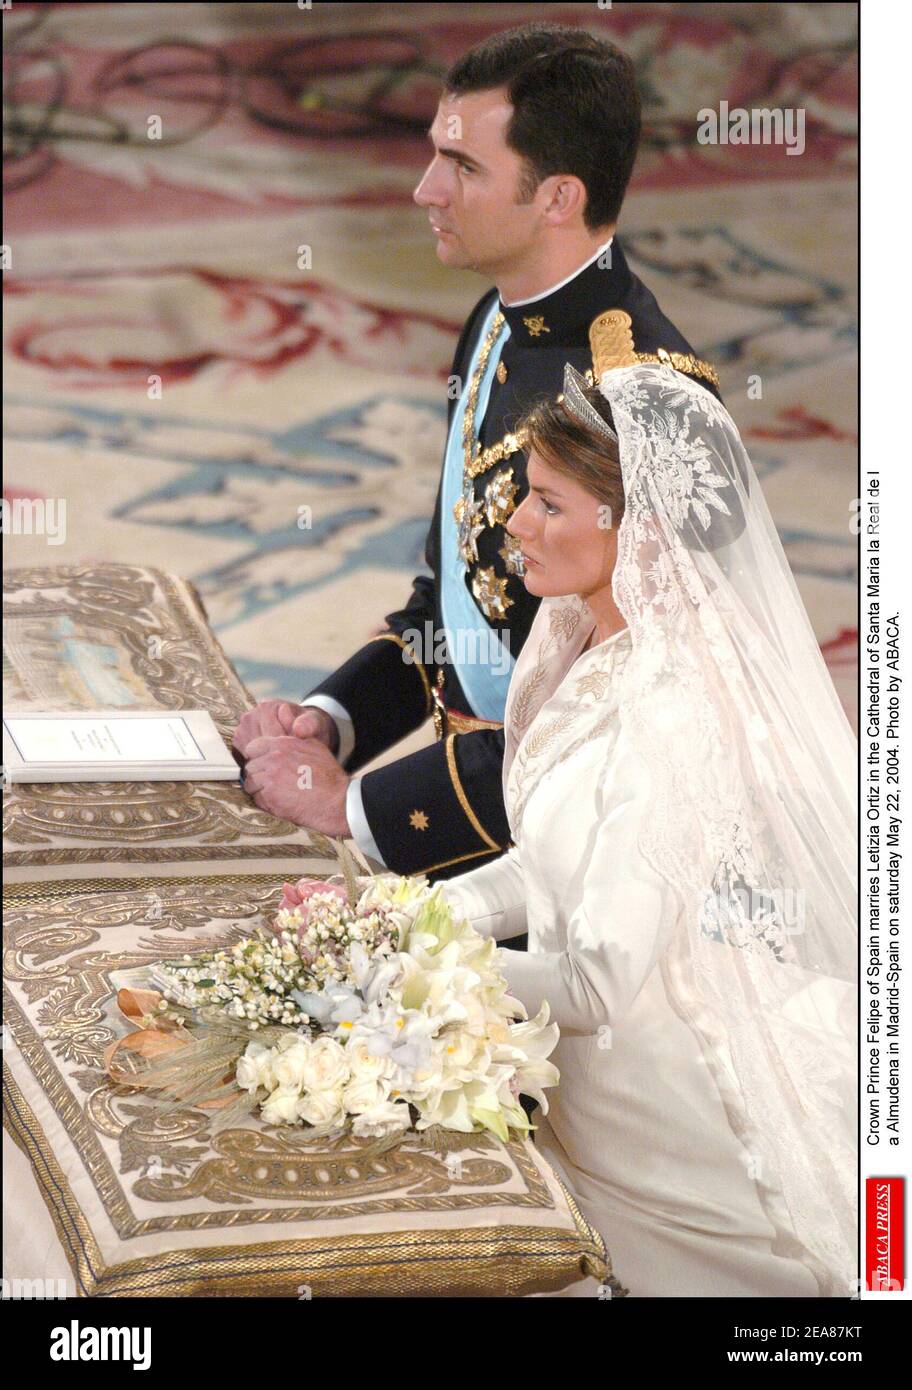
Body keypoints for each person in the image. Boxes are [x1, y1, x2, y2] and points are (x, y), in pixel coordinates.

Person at [233, 22, 721, 882]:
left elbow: (612, 725)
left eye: (463, 167)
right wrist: (333, 720)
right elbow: (459, 606)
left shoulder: (637, 400)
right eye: (435, 155)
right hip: (471, 823)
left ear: (557, 198)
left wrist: (350, 805)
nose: (425, 190)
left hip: (576, 871)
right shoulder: (496, 320)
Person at [437, 360, 857, 1297]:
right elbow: (548, 864)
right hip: (578, 1069)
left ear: (638, 530)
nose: (516, 523)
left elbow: (597, 986)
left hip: (648, 1104)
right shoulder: (586, 633)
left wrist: (414, 967)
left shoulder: (669, 715)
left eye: (547, 502)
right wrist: (419, 914)